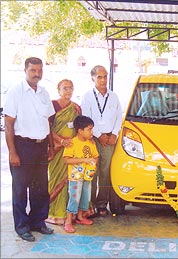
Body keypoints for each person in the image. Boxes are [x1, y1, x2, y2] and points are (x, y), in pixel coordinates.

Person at [3, 57, 55, 242]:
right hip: (22, 146)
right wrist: (12, 152)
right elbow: (9, 124)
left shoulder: (43, 92)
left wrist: (51, 145)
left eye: (40, 70)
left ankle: (38, 222)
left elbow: (48, 120)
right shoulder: (15, 92)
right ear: (25, 70)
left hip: (41, 146)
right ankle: (22, 226)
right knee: (20, 189)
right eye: (33, 70)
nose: (37, 74)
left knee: (40, 187)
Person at [81, 65, 122, 217]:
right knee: (92, 172)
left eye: (105, 76)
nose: (103, 80)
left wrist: (114, 135)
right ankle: (89, 205)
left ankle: (102, 204)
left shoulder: (114, 96)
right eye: (99, 77)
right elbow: (86, 118)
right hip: (93, 139)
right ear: (93, 78)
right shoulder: (87, 96)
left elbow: (119, 116)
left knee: (106, 173)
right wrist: (99, 135)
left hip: (110, 139)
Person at [46, 79, 82, 225]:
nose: (68, 91)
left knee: (71, 180)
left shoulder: (76, 108)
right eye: (65, 88)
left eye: (70, 88)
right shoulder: (52, 106)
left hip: (71, 149)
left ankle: (70, 214)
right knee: (56, 178)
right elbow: (47, 127)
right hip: (56, 148)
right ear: (58, 89)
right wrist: (61, 141)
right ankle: (54, 212)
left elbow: (79, 127)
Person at [63, 115, 99, 233]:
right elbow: (67, 160)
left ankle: (80, 217)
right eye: (89, 129)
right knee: (74, 197)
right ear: (80, 131)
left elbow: (96, 156)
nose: (91, 132)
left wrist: (93, 165)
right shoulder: (72, 143)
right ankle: (68, 221)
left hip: (87, 176)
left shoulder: (91, 143)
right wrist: (84, 160)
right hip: (75, 177)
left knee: (85, 196)